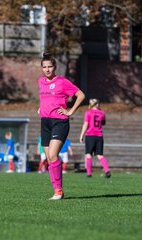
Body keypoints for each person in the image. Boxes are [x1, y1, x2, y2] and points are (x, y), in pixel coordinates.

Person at [38, 52, 85, 200]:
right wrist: (41, 108)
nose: (47, 69)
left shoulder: (62, 82)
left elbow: (81, 95)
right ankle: (56, 191)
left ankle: (58, 191)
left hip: (59, 121)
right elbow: (46, 99)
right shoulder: (40, 81)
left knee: (53, 155)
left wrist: (70, 110)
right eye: (44, 67)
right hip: (45, 122)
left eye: (50, 66)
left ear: (55, 67)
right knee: (49, 158)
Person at [79, 99, 111, 178]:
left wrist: (81, 135)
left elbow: (86, 124)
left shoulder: (88, 112)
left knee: (88, 154)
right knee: (100, 155)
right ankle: (107, 170)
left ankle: (89, 173)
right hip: (99, 136)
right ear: (97, 104)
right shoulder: (102, 113)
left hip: (90, 136)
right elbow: (104, 123)